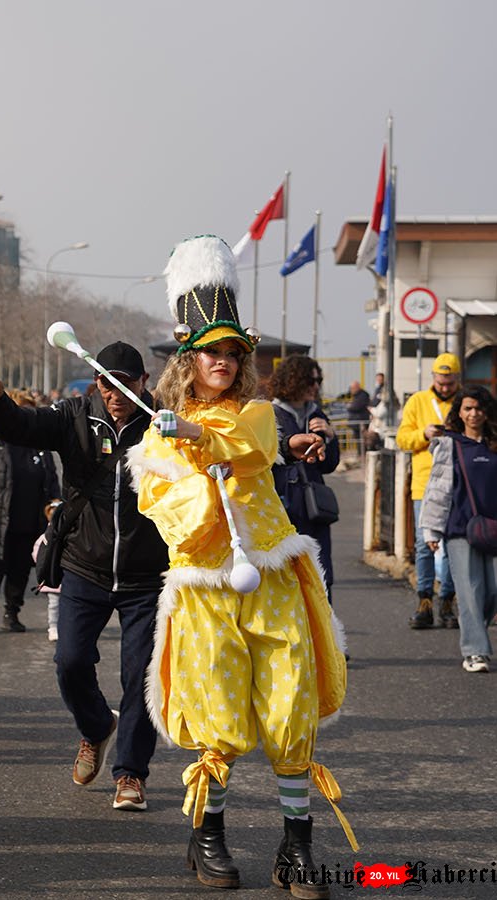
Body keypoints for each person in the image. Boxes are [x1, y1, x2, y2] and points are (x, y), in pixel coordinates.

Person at [131, 236, 352, 895]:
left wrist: (201, 439)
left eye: (233, 352)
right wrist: (190, 466)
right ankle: (209, 840)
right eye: (211, 351)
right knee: (220, 720)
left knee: (290, 711)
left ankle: (296, 849)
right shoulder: (155, 433)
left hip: (274, 578)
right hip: (206, 591)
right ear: (189, 359)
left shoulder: (255, 413)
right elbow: (173, 519)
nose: (223, 361)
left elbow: (256, 445)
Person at [0, 340, 164, 814]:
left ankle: (131, 775)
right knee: (70, 661)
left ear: (144, 382)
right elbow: (21, 426)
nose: (115, 393)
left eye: (125, 383)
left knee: (141, 676)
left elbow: (222, 446)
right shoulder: (74, 415)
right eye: (106, 382)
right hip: (85, 564)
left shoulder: (164, 425)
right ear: (96, 382)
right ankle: (97, 727)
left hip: (147, 574)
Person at [419, 385, 497, 673]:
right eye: (468, 408)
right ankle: (475, 651)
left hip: (494, 529)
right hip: (460, 530)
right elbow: (437, 489)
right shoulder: (449, 445)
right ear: (460, 413)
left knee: (492, 592)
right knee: (470, 592)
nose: (474, 413)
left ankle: (476, 629)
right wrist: (431, 531)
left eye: (479, 408)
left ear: (487, 411)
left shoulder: (494, 443)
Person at [0, 410, 60, 634]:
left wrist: (55, 513)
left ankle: (12, 613)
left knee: (20, 571)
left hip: (30, 522)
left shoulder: (41, 447)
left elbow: (52, 483)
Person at [397, 353, 463, 629]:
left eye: (449, 383)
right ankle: (424, 601)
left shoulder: (464, 403)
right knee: (425, 545)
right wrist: (423, 435)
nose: (445, 387)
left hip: (458, 483)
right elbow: (403, 439)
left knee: (452, 545)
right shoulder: (418, 401)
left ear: (457, 380)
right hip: (425, 484)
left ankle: (447, 601)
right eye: (441, 381)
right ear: (433, 377)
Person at [271, 356, 341, 602]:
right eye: (310, 380)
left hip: (313, 507)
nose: (315, 386)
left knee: (321, 574)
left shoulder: (317, 414)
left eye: (318, 380)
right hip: (281, 506)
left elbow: (330, 465)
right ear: (293, 380)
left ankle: (324, 632)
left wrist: (330, 437)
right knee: (285, 575)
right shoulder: (272, 413)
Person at [344, 379, 371, 453]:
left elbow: (356, 406)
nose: (351, 390)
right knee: (358, 441)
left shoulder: (363, 395)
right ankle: (360, 454)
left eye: (352, 388)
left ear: (357, 387)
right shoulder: (357, 396)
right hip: (356, 423)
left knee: (362, 441)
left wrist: (349, 406)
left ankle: (362, 456)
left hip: (360, 422)